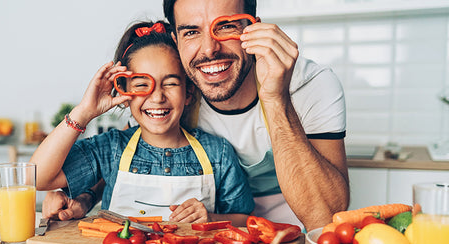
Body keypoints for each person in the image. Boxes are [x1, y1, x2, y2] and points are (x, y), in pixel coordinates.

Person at [43, 0, 350, 231]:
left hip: (291, 235)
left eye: (226, 25)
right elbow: (128, 153)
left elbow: (323, 217)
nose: (209, 50)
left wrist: (275, 96)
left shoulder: (311, 84)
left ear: (253, 28)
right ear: (176, 40)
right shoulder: (181, 86)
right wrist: (82, 196)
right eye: (191, 31)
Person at [31, 21, 255, 226]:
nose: (157, 97)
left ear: (188, 92)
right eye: (141, 85)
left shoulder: (219, 153)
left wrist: (212, 218)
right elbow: (37, 177)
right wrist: (84, 112)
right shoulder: (110, 148)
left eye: (170, 83)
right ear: (125, 92)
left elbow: (245, 219)